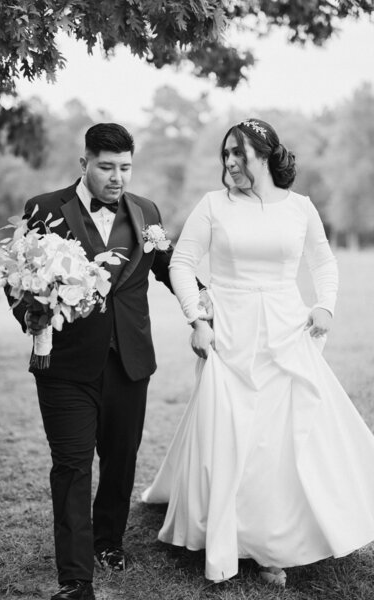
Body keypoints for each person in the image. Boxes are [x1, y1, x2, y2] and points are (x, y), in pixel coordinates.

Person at [143, 118, 374, 587]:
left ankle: (274, 542)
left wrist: (324, 305)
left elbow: (323, 262)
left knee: (280, 437)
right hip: (229, 333)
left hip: (288, 332)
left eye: (239, 154)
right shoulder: (213, 206)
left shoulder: (300, 208)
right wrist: (199, 321)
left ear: (266, 157)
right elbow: (183, 264)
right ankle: (231, 533)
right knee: (233, 432)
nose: (229, 162)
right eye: (225, 154)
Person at [6, 123, 211, 600]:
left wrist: (205, 304)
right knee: (72, 466)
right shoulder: (44, 209)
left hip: (130, 360)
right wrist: (32, 316)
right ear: (84, 163)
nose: (117, 178)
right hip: (65, 367)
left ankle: (108, 542)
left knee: (120, 462)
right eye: (106, 167)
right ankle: (76, 579)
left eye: (125, 168)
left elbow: (169, 268)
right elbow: (18, 280)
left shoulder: (146, 213)